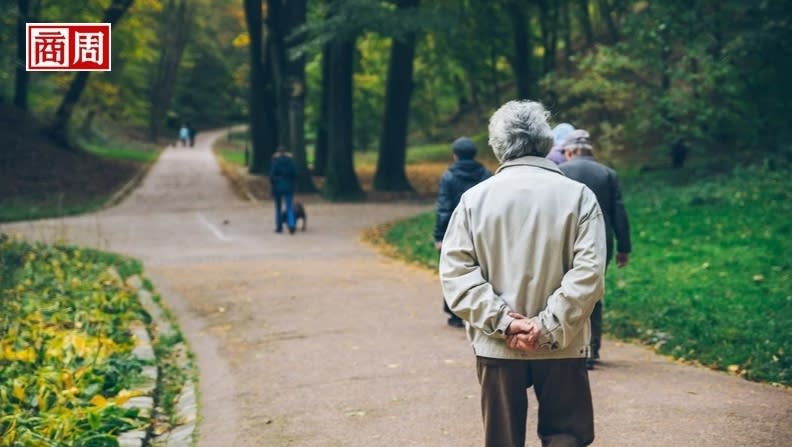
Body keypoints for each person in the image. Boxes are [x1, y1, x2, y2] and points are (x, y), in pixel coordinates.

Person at [440, 100, 606, 447]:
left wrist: (506, 323)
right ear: (547, 143)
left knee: (502, 439)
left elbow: (457, 275)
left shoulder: (474, 200)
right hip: (564, 343)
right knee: (566, 436)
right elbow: (589, 273)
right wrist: (547, 325)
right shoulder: (579, 197)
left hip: (497, 345)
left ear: (498, 146)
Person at [560, 129, 632, 369]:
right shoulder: (608, 174)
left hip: (565, 241)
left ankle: (567, 345)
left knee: (564, 289)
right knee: (594, 292)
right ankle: (591, 349)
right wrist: (624, 247)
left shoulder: (561, 172)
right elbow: (618, 212)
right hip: (600, 243)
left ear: (569, 151)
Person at [434, 137, 492, 328]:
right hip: (481, 230)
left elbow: (444, 208)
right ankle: (479, 310)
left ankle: (455, 313)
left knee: (455, 269)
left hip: (455, 231)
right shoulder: (487, 175)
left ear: (455, 155)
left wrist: (439, 236)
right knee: (480, 271)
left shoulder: (448, 177)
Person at [270, 146, 297, 234]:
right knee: (289, 207)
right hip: (288, 186)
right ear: (285, 152)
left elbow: (272, 176)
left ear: (278, 152)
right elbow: (294, 174)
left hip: (278, 187)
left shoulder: (275, 161)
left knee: (278, 208)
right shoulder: (290, 161)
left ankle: (279, 227)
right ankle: (292, 225)